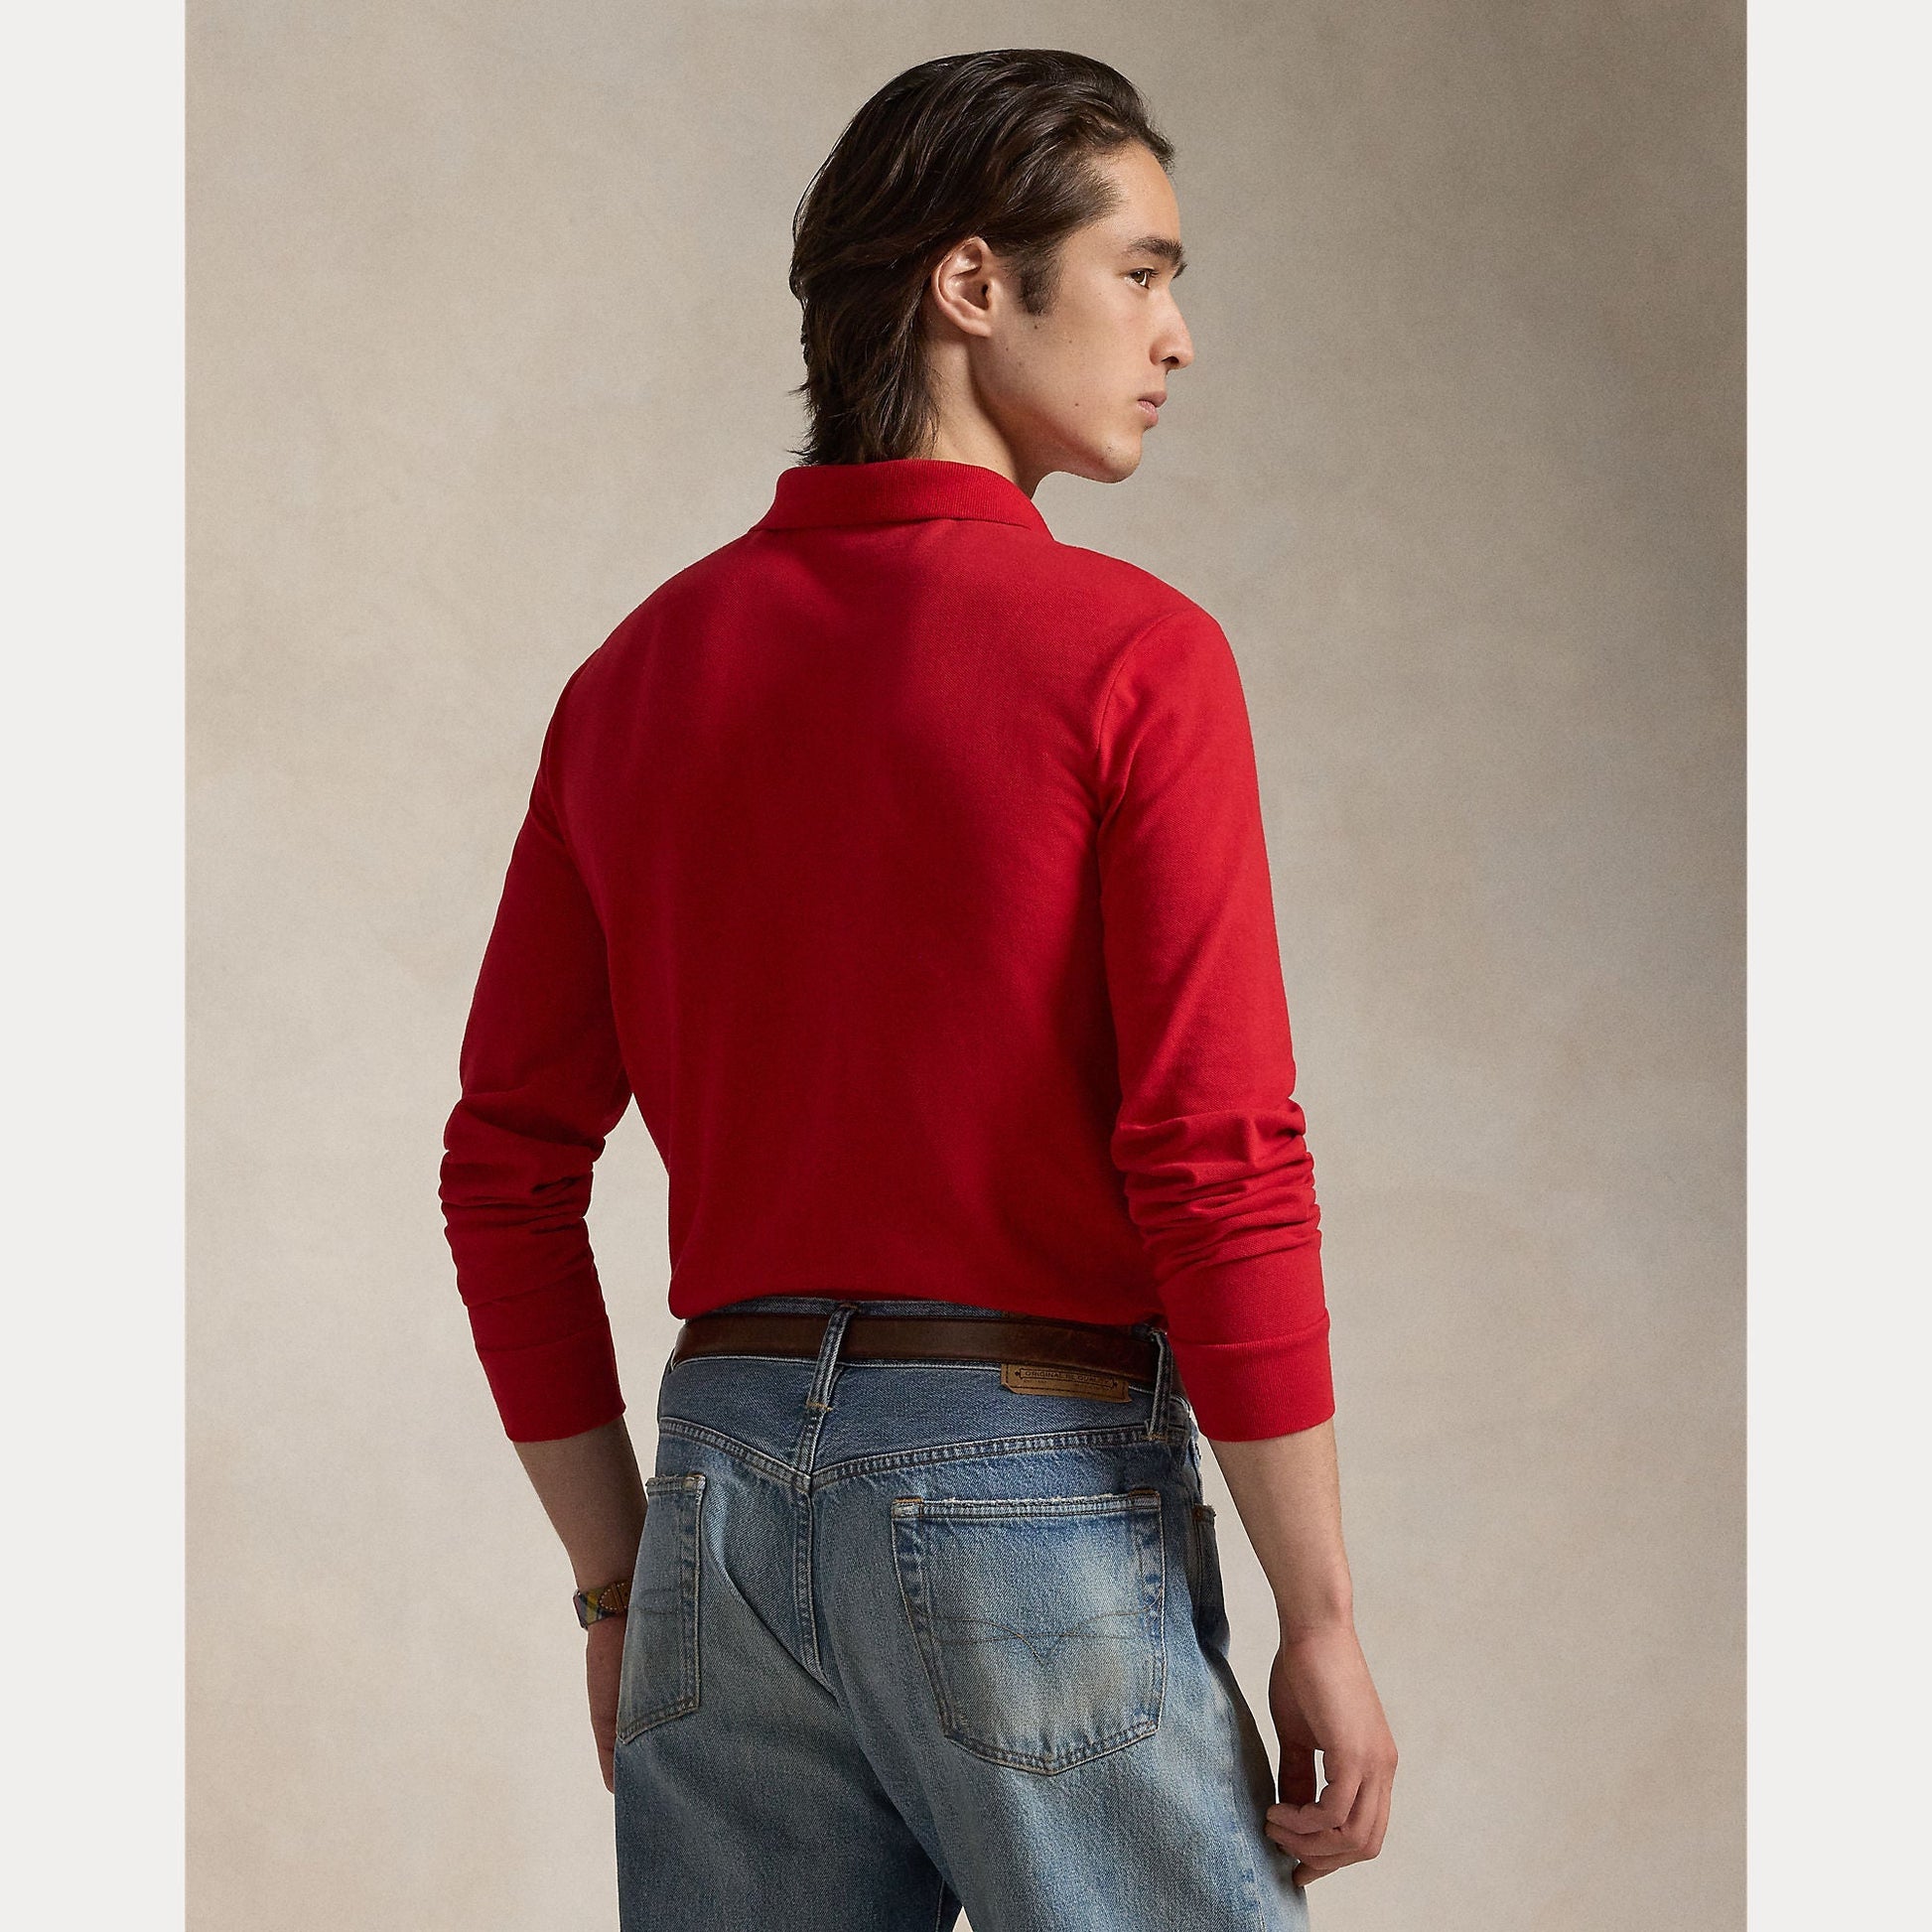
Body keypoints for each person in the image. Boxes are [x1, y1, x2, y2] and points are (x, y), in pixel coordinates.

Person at [440, 47, 1396, 1931]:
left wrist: (624, 1580)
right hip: (1028, 1490)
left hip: (719, 1508)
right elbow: (1213, 1155)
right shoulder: (1131, 658)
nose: (1176, 335)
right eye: (1137, 271)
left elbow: (504, 1168)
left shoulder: (633, 677)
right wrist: (1323, 1615)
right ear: (972, 283)